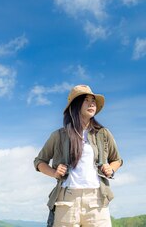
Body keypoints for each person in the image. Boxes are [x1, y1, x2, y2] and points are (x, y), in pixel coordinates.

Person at [34, 84, 123, 227]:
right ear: (75, 105)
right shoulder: (59, 135)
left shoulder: (103, 134)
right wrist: (54, 173)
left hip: (97, 199)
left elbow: (117, 160)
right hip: (67, 200)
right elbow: (39, 161)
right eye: (86, 100)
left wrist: (111, 169)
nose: (92, 103)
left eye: (93, 100)